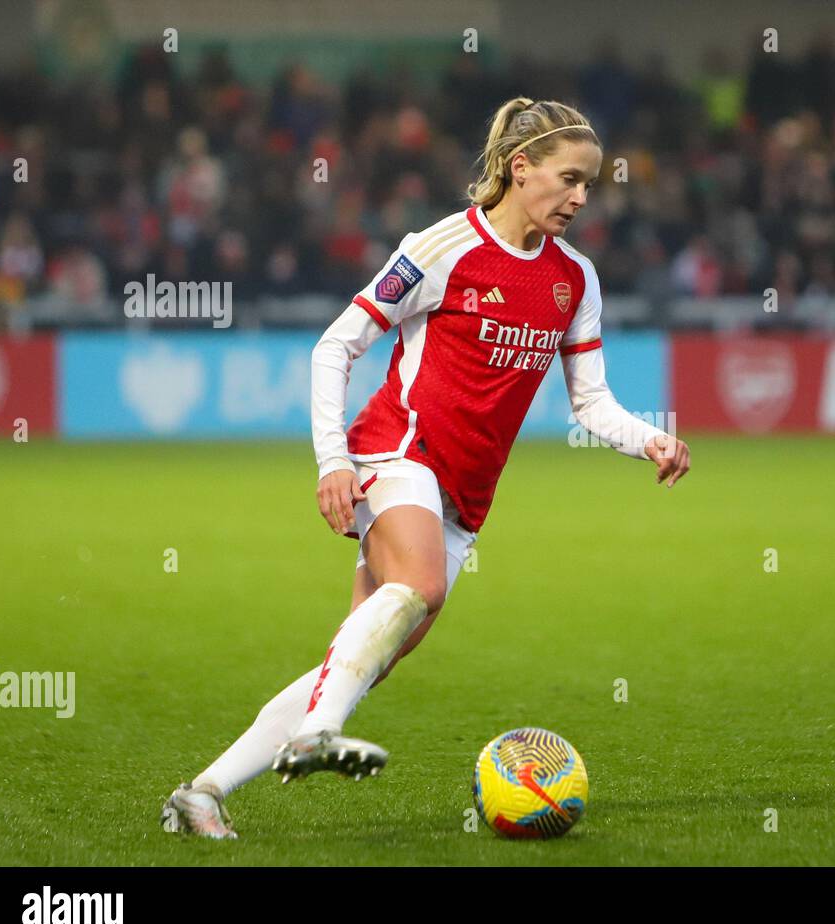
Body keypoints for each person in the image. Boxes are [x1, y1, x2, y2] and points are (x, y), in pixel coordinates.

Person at [162, 98, 691, 838]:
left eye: (590, 185)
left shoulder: (575, 280)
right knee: (421, 585)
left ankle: (204, 791)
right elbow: (335, 346)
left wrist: (651, 440)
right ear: (520, 167)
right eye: (570, 178)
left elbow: (592, 400)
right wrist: (332, 460)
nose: (581, 198)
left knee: (359, 662)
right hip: (396, 452)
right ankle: (316, 737)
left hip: (463, 499)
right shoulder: (440, 248)